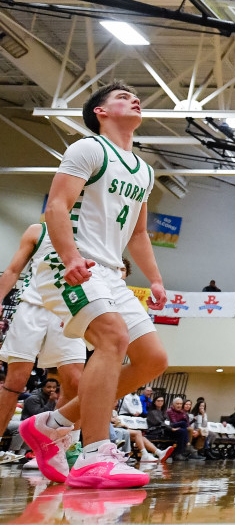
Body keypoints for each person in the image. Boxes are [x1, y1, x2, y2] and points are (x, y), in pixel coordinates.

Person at [19, 82, 170, 488]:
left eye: (135, 96)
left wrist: (154, 278)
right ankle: (94, 455)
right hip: (70, 261)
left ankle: (54, 423)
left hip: (111, 272)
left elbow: (138, 234)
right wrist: (69, 257)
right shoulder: (88, 149)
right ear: (100, 112)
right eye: (121, 96)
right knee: (111, 338)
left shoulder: (145, 170)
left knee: (152, 359)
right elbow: (57, 205)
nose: (133, 99)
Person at [0, 224, 86, 454]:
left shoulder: (95, 232)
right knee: (15, 382)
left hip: (69, 308)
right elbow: (12, 270)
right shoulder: (38, 231)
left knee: (77, 383)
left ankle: (66, 451)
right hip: (32, 306)